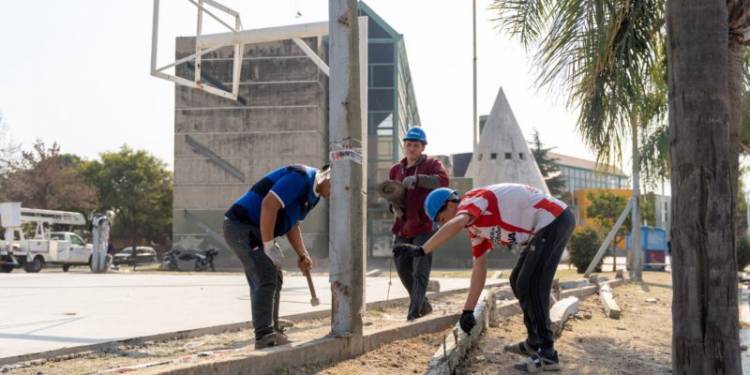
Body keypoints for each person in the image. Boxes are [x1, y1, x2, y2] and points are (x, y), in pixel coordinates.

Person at [394, 183, 574, 373]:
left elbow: (456, 222)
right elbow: (480, 267)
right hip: (544, 228)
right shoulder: (476, 228)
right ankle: (534, 342)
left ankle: (547, 353)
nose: (442, 224)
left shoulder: (473, 200)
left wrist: (423, 250)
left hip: (554, 220)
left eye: (441, 219)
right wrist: (468, 311)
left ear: (450, 204)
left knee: (530, 283)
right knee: (517, 281)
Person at [223, 163, 331, 349]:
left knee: (274, 276)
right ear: (330, 176)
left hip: (257, 229)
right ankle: (264, 335)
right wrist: (268, 245)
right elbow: (269, 205)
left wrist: (302, 254)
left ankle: (272, 331)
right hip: (241, 225)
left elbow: (292, 224)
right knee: (265, 274)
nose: (339, 195)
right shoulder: (300, 176)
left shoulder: (314, 196)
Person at [387, 127, 449, 321]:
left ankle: (413, 315)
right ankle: (423, 305)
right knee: (403, 268)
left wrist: (418, 180)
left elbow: (443, 181)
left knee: (420, 271)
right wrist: (393, 208)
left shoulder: (432, 164)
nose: (411, 148)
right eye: (408, 144)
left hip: (424, 226)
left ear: (422, 147)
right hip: (403, 226)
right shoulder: (395, 170)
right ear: (404, 146)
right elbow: (392, 194)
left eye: (416, 145)